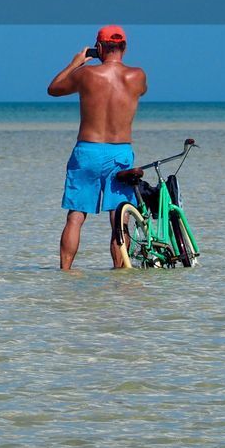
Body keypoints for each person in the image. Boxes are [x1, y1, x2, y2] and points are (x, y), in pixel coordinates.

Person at [47, 25, 147, 270]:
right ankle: (119, 273)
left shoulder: (86, 75)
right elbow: (140, 92)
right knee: (119, 218)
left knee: (76, 215)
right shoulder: (138, 76)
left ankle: (66, 272)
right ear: (124, 47)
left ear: (99, 48)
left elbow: (54, 89)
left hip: (88, 151)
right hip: (119, 152)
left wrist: (75, 63)